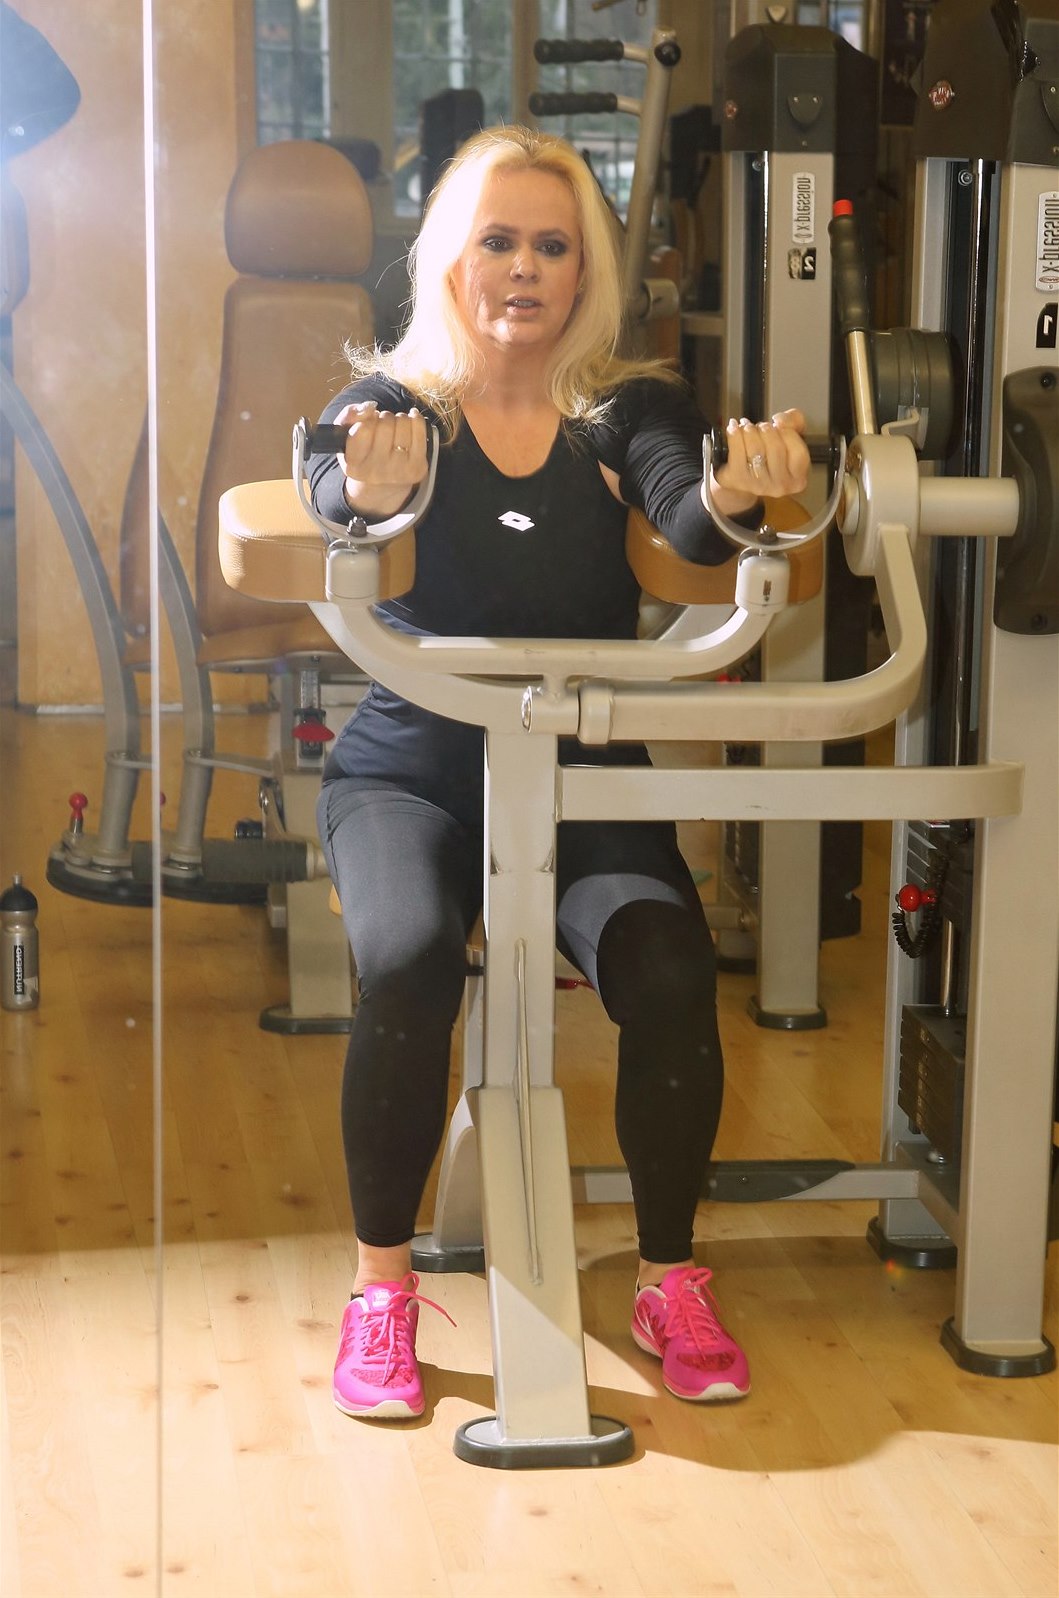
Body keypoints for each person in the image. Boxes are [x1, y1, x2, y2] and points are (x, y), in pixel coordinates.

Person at [309, 125, 809, 1421]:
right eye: (499, 241)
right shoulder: (396, 408)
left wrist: (741, 494)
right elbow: (329, 487)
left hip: (583, 769)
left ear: (586, 270)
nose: (525, 268)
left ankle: (668, 1277)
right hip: (411, 768)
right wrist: (363, 492)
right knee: (409, 961)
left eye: (552, 245)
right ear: (450, 259)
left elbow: (685, 508)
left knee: (670, 968)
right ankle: (380, 1290)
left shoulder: (626, 410)